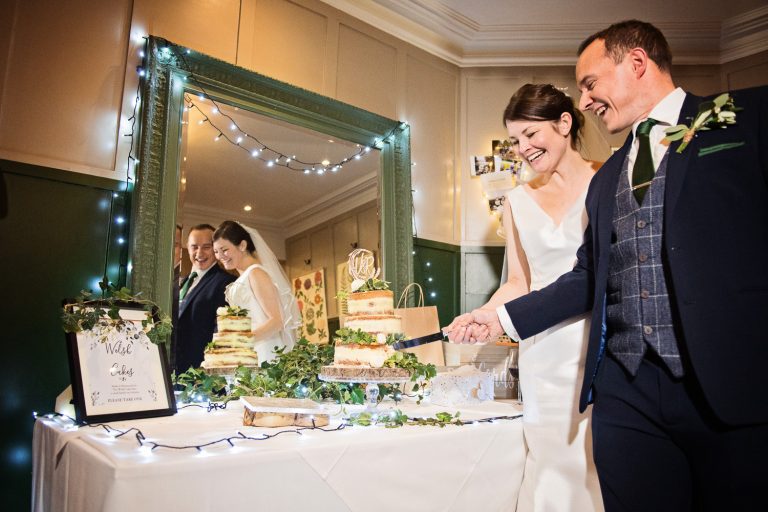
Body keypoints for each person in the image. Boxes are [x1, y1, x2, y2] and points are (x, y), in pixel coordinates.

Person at [449, 20, 768, 511]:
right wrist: (499, 318)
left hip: (731, 387)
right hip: (624, 394)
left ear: (636, 63)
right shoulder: (608, 180)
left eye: (590, 84)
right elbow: (588, 275)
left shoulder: (746, 119)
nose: (586, 100)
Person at [446, 83, 603, 512]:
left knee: (598, 464)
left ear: (564, 123)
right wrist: (482, 315)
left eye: (531, 135)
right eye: (516, 140)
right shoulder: (516, 200)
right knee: (550, 462)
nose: (523, 148)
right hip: (543, 350)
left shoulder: (607, 180)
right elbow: (518, 282)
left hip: (599, 342)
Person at [212, 221, 300, 363]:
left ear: (242, 245)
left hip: (265, 352)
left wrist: (240, 341)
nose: (220, 256)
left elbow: (277, 321)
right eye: (216, 252)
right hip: (248, 352)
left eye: (224, 249)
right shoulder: (245, 276)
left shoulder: (256, 273)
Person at [174, 224, 236, 373]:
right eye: (194, 246)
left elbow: (224, 333)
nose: (199, 253)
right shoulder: (180, 282)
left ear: (216, 249)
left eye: (206, 247)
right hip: (173, 370)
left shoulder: (227, 282)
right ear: (187, 248)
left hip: (201, 374)